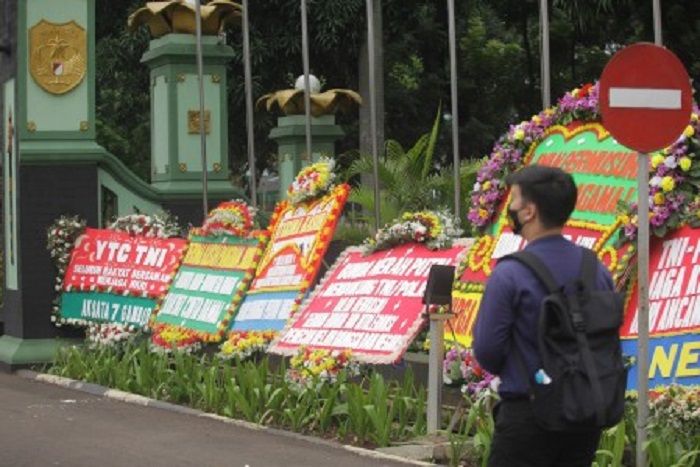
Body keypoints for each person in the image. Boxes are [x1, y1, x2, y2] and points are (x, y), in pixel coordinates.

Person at [473, 165, 614, 467]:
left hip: (527, 417)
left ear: (529, 212)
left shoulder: (510, 273)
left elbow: (487, 351)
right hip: (583, 418)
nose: (509, 208)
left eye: (514, 200)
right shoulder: (597, 270)